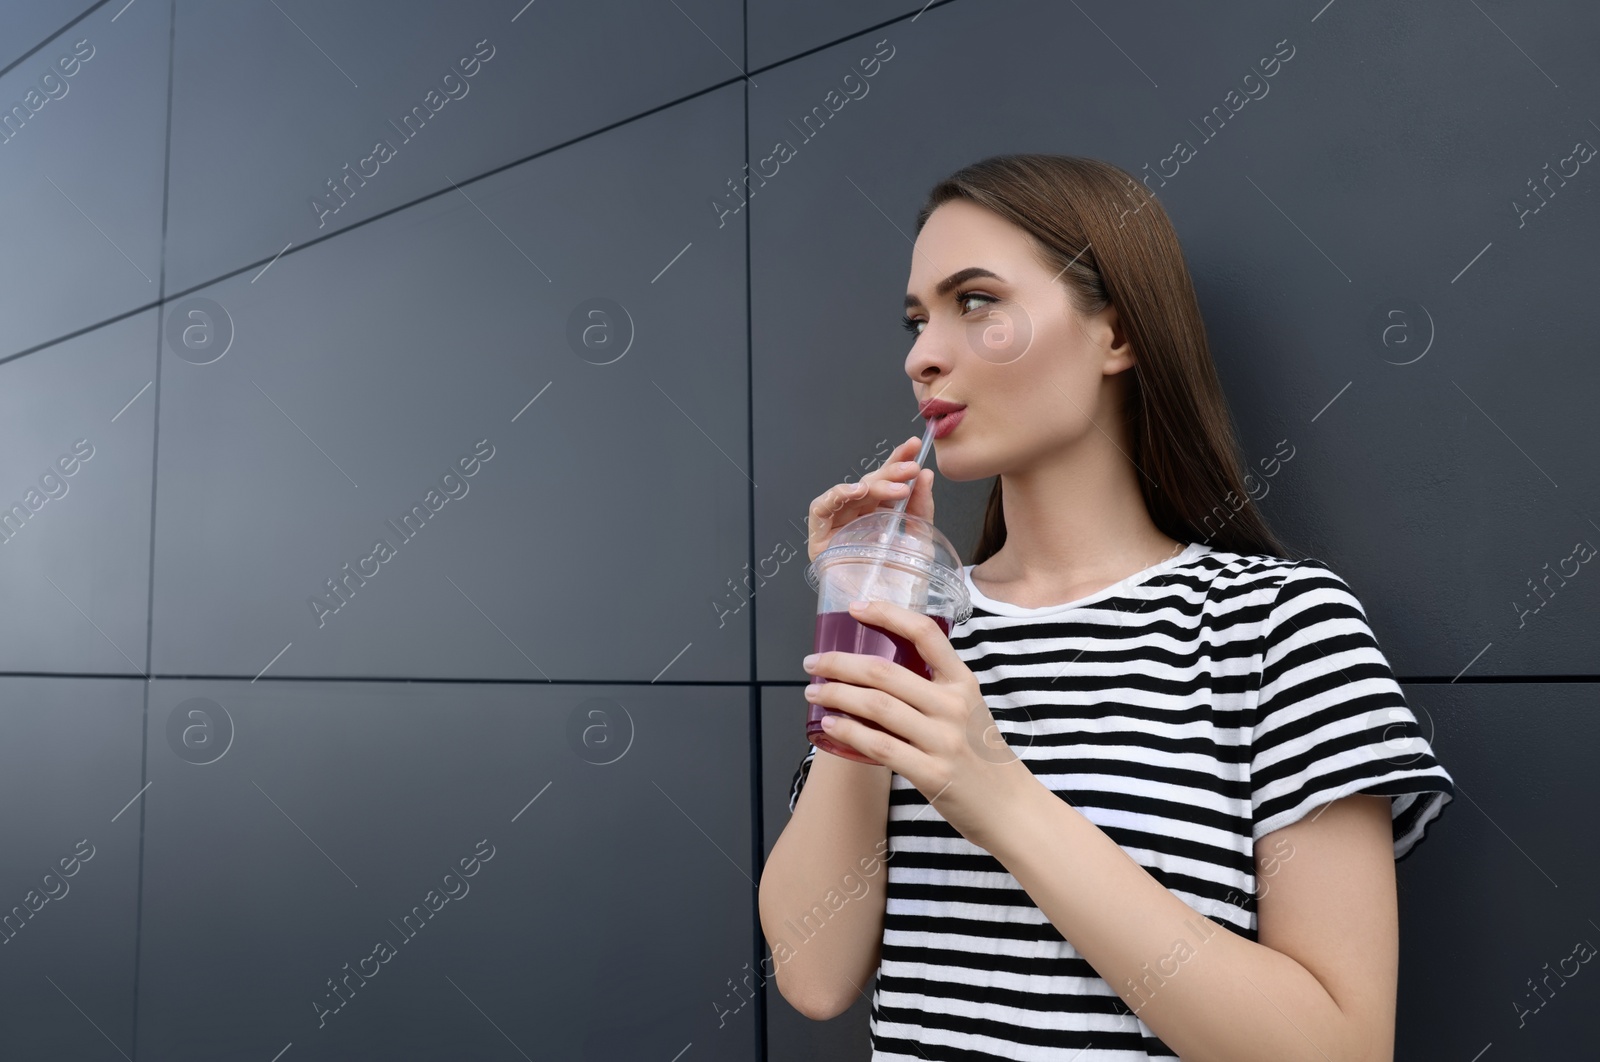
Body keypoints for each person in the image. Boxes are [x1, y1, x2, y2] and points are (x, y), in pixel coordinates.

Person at [757, 154, 1454, 1062]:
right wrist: (871, 610)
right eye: (918, 318)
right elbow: (814, 975)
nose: (921, 353)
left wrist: (998, 797)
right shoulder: (920, 633)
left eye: (975, 302)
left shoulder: (1276, 626)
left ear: (1116, 335)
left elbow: (1341, 1049)